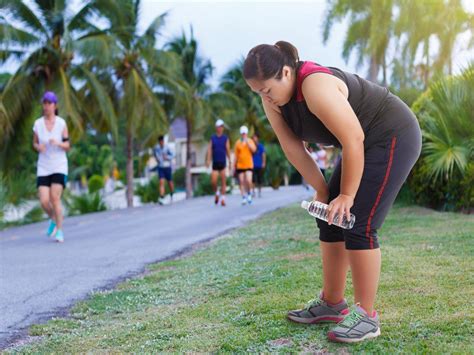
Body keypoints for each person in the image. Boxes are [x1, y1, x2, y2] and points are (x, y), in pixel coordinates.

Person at [243, 41, 421, 343]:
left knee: (358, 221)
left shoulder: (315, 85)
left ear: (286, 72)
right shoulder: (270, 98)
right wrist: (323, 190)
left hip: (392, 134)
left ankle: (367, 316)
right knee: (328, 217)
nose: (265, 98)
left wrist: (347, 196)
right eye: (258, 92)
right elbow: (292, 148)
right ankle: (332, 302)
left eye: (268, 90)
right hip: (362, 143)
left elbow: (353, 139)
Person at [33, 91, 70, 243]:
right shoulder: (37, 123)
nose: (46, 106)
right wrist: (38, 147)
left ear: (55, 106)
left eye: (49, 103)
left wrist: (59, 143)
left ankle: (60, 231)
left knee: (55, 198)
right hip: (44, 165)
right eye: (45, 103)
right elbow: (34, 143)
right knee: (43, 200)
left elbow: (68, 145)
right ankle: (54, 219)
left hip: (59, 165)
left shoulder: (61, 123)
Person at [206, 119, 231, 206]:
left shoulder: (225, 138)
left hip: (223, 163)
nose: (220, 128)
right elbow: (209, 150)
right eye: (218, 127)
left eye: (221, 127)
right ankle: (217, 193)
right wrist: (208, 160)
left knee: (224, 181)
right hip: (215, 163)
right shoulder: (213, 138)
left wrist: (230, 161)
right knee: (213, 181)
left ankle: (223, 198)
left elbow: (228, 150)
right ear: (216, 128)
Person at [234, 125, 256, 205]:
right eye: (242, 133)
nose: (243, 135)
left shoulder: (250, 141)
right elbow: (236, 156)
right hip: (240, 165)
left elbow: (254, 150)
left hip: (249, 165)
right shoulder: (237, 143)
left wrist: (247, 142)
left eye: (245, 133)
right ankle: (244, 197)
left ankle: (249, 194)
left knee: (248, 180)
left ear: (246, 133)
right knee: (241, 182)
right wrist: (233, 166)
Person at [153, 135, 174, 205]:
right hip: (161, 167)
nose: (161, 143)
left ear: (163, 141)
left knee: (170, 182)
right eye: (160, 142)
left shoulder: (167, 148)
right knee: (161, 182)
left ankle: (172, 194)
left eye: (162, 141)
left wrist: (167, 157)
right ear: (159, 142)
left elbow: (173, 155)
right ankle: (162, 197)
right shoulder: (156, 148)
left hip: (167, 167)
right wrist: (157, 159)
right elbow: (155, 155)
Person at [251, 133, 266, 197]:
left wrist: (263, 163)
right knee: (253, 179)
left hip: (259, 165)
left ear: (258, 138)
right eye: (253, 137)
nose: (254, 139)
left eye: (255, 137)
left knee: (259, 179)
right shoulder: (251, 146)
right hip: (252, 165)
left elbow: (263, 155)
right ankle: (253, 192)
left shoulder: (260, 146)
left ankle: (259, 192)